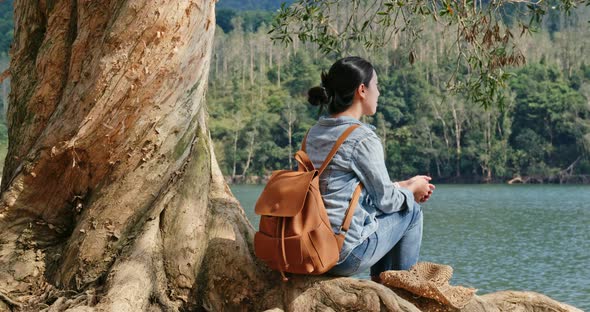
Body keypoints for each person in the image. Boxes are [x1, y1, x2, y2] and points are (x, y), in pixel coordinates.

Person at [304, 56, 435, 281]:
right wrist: (412, 192)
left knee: (396, 204)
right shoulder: (362, 137)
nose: (379, 92)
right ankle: (403, 291)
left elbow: (341, 189)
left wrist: (405, 185)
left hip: (311, 247)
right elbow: (386, 202)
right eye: (377, 85)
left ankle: (387, 288)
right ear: (362, 90)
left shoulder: (314, 133)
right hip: (344, 254)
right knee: (411, 211)